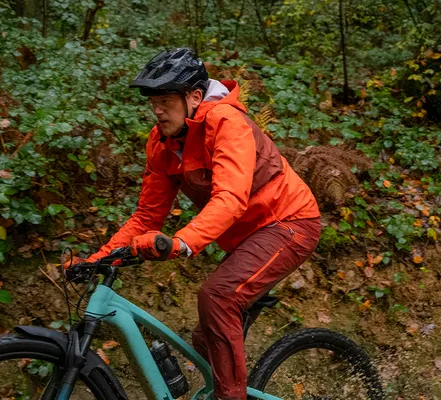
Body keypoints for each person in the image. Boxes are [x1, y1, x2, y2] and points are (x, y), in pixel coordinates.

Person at [68, 48, 321, 400]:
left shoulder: (226, 122)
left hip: (288, 223)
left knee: (217, 298)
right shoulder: (162, 142)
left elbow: (230, 197)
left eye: (166, 101)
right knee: (205, 338)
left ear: (195, 97)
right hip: (248, 237)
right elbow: (147, 217)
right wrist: (96, 260)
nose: (157, 110)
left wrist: (182, 242)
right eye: (153, 102)